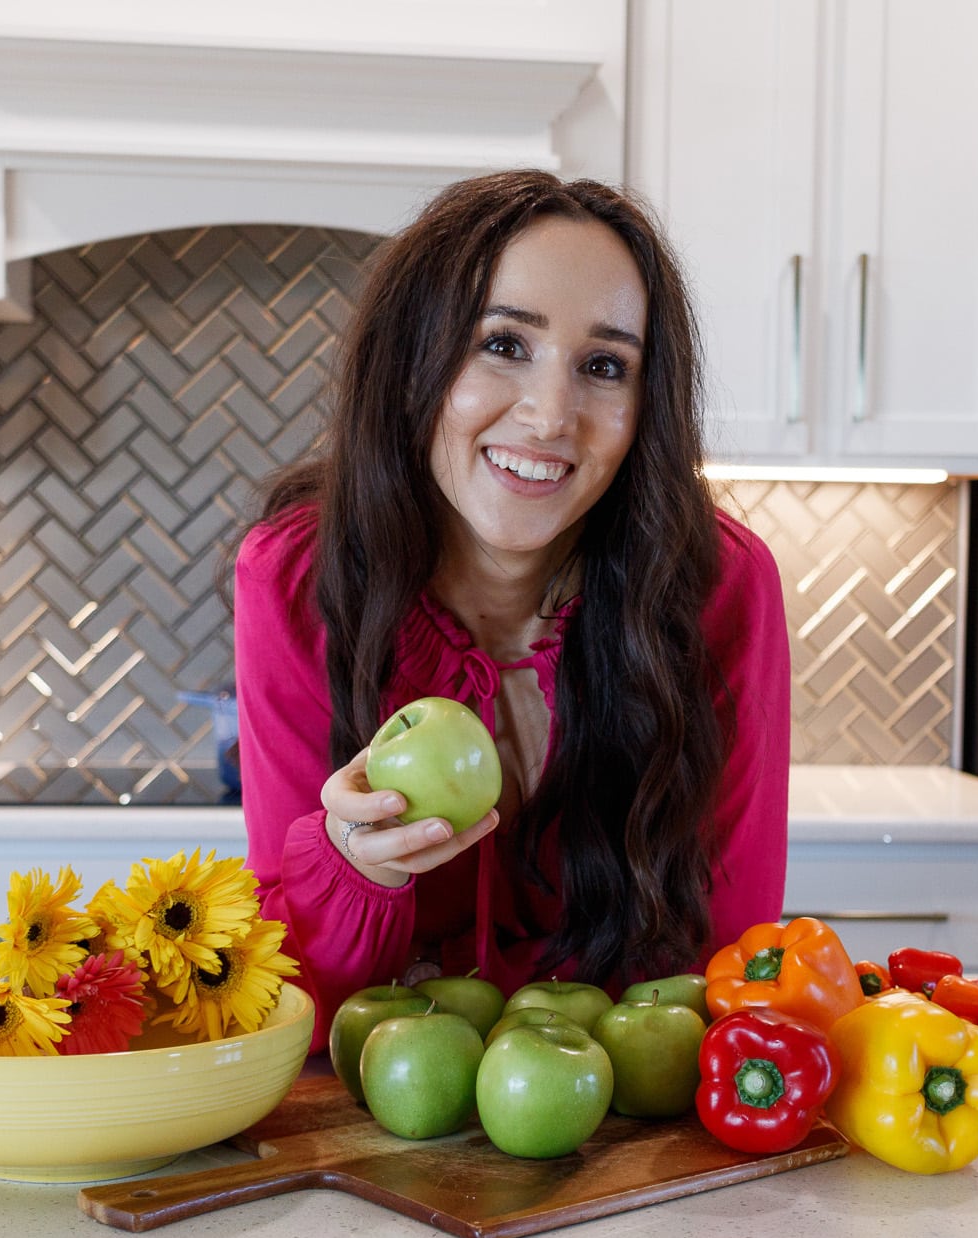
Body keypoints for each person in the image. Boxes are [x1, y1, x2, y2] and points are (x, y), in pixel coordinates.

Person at [233, 169, 790, 1052]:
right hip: (375, 1112)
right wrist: (353, 866)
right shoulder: (298, 578)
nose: (549, 415)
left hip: (633, 1116)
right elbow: (290, 999)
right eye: (503, 343)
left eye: (604, 366)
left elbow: (730, 959)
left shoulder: (719, 585)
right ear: (413, 360)